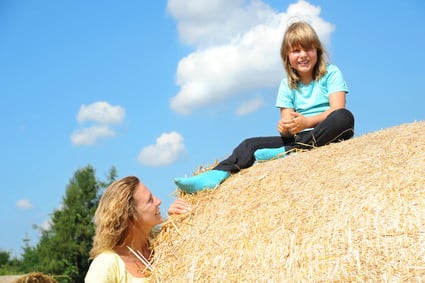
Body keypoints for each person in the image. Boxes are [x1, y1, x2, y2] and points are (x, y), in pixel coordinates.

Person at [174, 21, 355, 194]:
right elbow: (288, 130)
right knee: (250, 144)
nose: (302, 55)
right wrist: (285, 128)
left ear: (318, 50)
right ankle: (215, 175)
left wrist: (307, 121)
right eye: (296, 51)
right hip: (300, 137)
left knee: (344, 117)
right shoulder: (286, 85)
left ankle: (287, 152)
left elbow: (337, 108)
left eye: (308, 49)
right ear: (287, 57)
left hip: (330, 132)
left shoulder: (331, 73)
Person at [85, 176, 190, 283]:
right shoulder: (105, 264)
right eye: (150, 200)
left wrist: (176, 221)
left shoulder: (163, 246)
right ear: (129, 216)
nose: (159, 201)